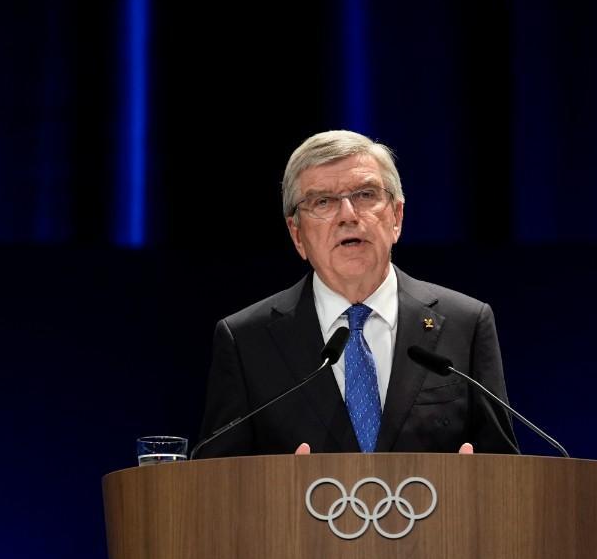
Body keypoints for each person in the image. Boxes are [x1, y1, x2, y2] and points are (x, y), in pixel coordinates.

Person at [195, 130, 519, 458]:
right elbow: (218, 486)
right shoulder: (246, 340)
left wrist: (477, 485)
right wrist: (281, 493)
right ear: (297, 235)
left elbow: (507, 475)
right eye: (322, 201)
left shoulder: (466, 324)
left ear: (397, 217)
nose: (348, 215)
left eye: (365, 195)